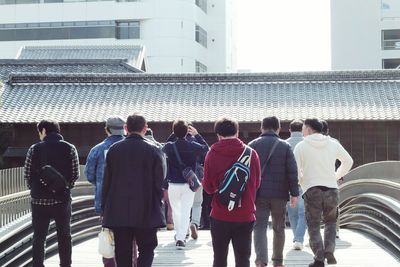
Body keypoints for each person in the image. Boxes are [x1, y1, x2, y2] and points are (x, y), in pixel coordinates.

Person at [101, 114, 166, 267]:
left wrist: (104, 209)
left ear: (126, 128)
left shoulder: (114, 150)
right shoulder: (155, 150)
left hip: (118, 209)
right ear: (145, 128)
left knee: (122, 251)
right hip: (146, 208)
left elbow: (107, 182)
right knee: (147, 248)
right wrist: (159, 204)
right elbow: (160, 183)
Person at [293, 118, 353, 267]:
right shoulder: (333, 144)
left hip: (312, 189)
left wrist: (302, 181)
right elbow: (348, 161)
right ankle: (330, 250)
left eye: (303, 128)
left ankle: (319, 257)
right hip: (332, 189)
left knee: (313, 224)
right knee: (331, 222)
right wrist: (335, 176)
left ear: (308, 129)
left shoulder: (301, 146)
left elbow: (295, 170)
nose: (302, 131)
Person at [202, 117, 261, 267]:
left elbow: (208, 188)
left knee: (219, 258)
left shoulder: (211, 153)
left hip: (220, 214)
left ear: (218, 135)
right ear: (237, 132)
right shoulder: (251, 153)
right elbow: (257, 183)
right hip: (245, 214)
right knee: (243, 259)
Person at [24, 120, 79, 267]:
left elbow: (27, 174)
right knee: (64, 236)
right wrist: (63, 188)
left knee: (39, 237)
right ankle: (65, 265)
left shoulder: (34, 148)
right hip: (62, 201)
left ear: (43, 131)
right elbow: (75, 174)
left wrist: (36, 189)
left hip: (39, 202)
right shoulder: (70, 148)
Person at [249, 116, 299, 267]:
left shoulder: (252, 146)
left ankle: (261, 261)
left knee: (259, 227)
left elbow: (247, 172)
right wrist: (294, 193)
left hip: (258, 194)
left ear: (261, 128)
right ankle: (277, 261)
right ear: (278, 129)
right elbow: (292, 172)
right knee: (279, 227)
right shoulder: (285, 146)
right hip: (280, 194)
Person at [84, 116, 125, 267]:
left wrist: (100, 183)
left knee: (108, 234)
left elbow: (89, 174)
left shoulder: (98, 149)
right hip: (129, 201)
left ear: (107, 129)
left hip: (106, 200)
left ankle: (110, 264)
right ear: (123, 129)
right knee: (129, 237)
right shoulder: (131, 147)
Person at [162, 120, 209, 249]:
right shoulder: (192, 145)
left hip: (173, 184)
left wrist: (174, 134)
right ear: (187, 130)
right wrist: (198, 135)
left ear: (174, 131)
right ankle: (181, 239)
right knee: (185, 211)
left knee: (176, 211)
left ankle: (180, 235)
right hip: (188, 184)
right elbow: (206, 149)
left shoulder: (170, 146)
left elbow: (164, 145)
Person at [285, 119, 307, 250]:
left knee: (292, 213)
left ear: (289, 130)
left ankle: (297, 238)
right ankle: (298, 238)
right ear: (304, 129)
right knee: (303, 212)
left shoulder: (284, 144)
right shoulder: (307, 144)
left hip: (288, 183)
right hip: (305, 181)